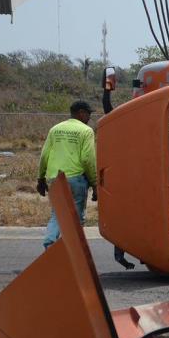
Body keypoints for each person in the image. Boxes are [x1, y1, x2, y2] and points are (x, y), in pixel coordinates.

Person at [36, 100, 97, 249]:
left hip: (55, 178)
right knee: (75, 218)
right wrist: (95, 183)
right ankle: (73, 252)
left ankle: (50, 246)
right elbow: (87, 159)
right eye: (88, 114)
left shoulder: (55, 129)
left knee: (57, 214)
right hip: (76, 178)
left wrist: (41, 178)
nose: (89, 118)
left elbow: (44, 155)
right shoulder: (86, 131)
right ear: (81, 113)